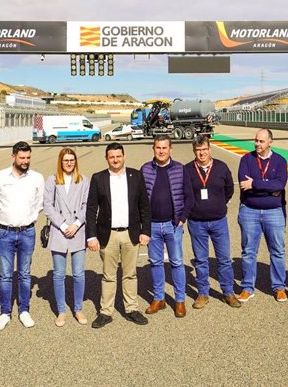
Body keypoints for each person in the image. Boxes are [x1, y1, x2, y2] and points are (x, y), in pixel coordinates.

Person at [86, 142, 151, 328]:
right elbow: (91, 209)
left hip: (131, 234)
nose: (115, 160)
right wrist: (91, 236)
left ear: (124, 156)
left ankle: (131, 309)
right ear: (107, 158)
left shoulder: (136, 176)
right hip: (108, 235)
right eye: (112, 157)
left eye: (118, 156)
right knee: (108, 275)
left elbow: (144, 206)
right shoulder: (98, 178)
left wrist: (146, 231)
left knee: (130, 274)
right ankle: (106, 312)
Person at [0, 141, 45, 331]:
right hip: (5, 232)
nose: (25, 161)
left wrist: (30, 218)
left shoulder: (37, 178)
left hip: (27, 232)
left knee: (25, 273)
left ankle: (24, 311)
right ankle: (5, 313)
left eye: (28, 157)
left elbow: (40, 202)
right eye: (22, 157)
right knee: (5, 275)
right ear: (13, 156)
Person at [185, 135, 241, 309]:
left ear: (210, 149)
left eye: (204, 149)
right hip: (196, 222)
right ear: (194, 151)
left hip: (218, 221)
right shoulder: (187, 169)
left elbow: (229, 190)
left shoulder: (221, 167)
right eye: (198, 150)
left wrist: (217, 204)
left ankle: (228, 292)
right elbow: (184, 193)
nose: (201, 153)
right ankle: (203, 293)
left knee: (224, 259)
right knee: (201, 260)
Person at [141, 136, 193, 317]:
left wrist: (182, 218)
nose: (161, 151)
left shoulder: (180, 168)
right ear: (153, 149)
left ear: (170, 149)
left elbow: (189, 196)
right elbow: (140, 199)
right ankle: (159, 299)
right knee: (155, 263)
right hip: (152, 226)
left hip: (173, 225)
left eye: (164, 148)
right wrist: (143, 224)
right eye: (158, 148)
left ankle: (179, 301)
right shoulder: (146, 169)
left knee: (177, 263)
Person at [237, 128, 288, 303]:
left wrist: (256, 184)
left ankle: (279, 287)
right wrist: (267, 187)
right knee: (249, 251)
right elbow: (244, 185)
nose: (257, 144)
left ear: (270, 142)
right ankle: (247, 287)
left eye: (261, 141)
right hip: (249, 211)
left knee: (278, 251)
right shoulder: (246, 159)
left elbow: (279, 185)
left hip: (274, 212)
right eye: (256, 140)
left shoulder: (280, 161)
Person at [43, 148, 90, 327]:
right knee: (59, 274)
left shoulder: (84, 180)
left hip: (77, 230)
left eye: (72, 160)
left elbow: (87, 205)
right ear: (60, 162)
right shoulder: (52, 180)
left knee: (78, 273)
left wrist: (76, 224)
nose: (69, 163)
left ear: (75, 161)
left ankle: (78, 308)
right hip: (59, 230)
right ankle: (61, 311)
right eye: (66, 160)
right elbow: (48, 205)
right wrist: (63, 225)